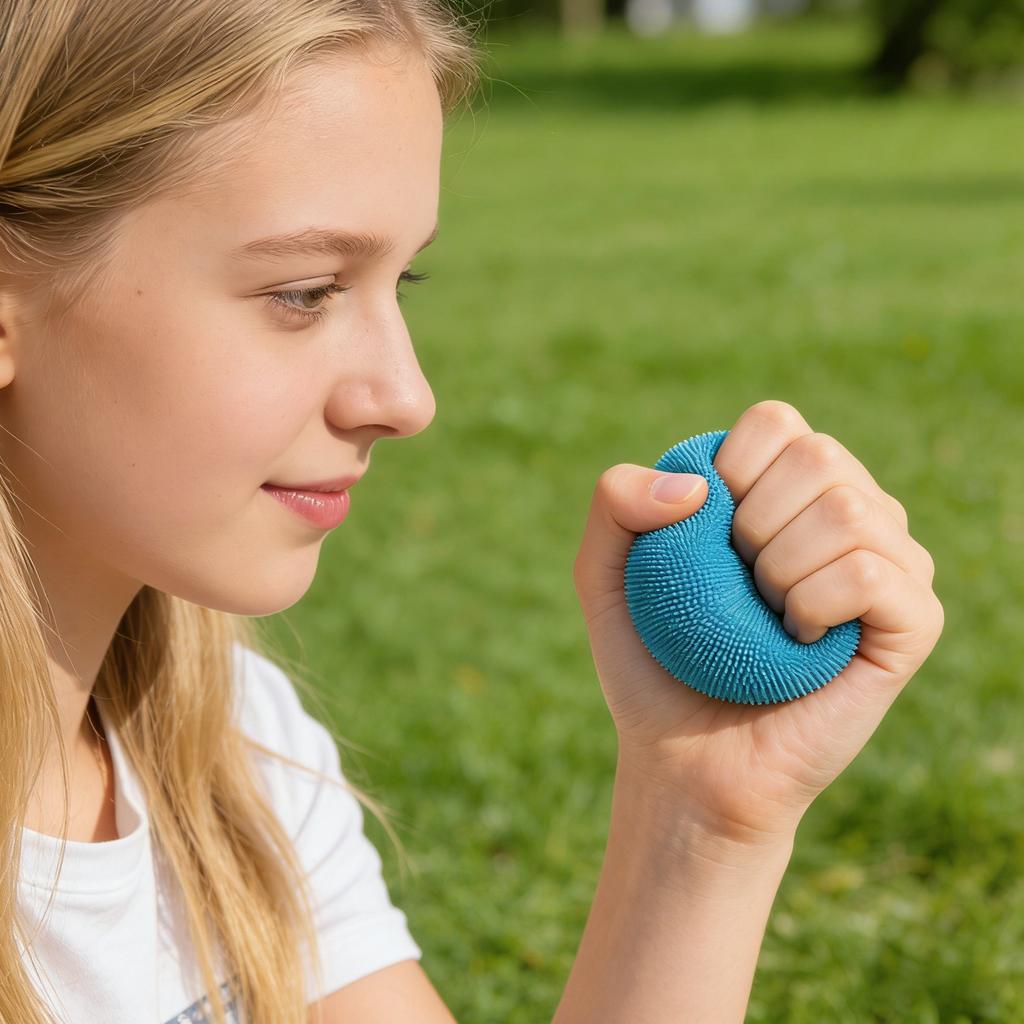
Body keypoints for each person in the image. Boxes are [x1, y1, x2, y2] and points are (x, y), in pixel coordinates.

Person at [0, 3, 945, 1023]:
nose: (406, 397)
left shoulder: (229, 750)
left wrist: (705, 817)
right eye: (306, 291)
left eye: (399, 279)